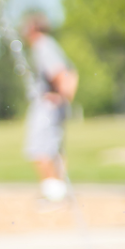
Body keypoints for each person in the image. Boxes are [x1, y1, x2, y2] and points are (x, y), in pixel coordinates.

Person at [21, 13, 78, 202]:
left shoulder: (42, 45)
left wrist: (60, 96)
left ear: (33, 29)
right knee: (53, 149)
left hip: (48, 106)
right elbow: (72, 71)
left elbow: (60, 73)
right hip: (53, 105)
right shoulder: (49, 44)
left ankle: (53, 195)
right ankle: (59, 191)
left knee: (39, 148)